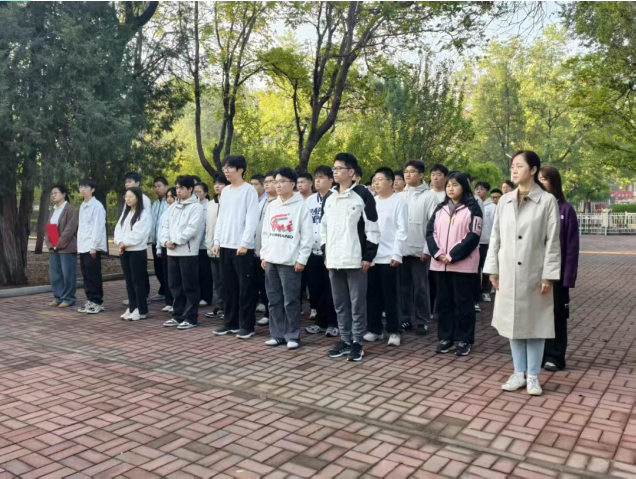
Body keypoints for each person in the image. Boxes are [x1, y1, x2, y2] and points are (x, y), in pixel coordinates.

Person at [485, 151, 561, 396]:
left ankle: (533, 376)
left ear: (533, 170)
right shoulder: (505, 201)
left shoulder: (547, 201)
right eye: (512, 167)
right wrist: (492, 269)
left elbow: (552, 242)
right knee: (513, 325)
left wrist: (548, 275)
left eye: (519, 166)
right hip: (508, 271)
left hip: (534, 273)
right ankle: (519, 373)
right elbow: (495, 237)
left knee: (535, 325)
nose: (514, 170)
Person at [322, 153, 380, 362]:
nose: (335, 172)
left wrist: (368, 256)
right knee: (340, 303)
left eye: (339, 168)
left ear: (351, 172)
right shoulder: (329, 197)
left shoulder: (362, 195)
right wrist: (326, 252)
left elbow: (372, 227)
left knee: (357, 304)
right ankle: (345, 340)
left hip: (355, 259)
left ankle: (357, 342)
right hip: (334, 259)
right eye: (334, 168)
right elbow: (324, 228)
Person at [427, 172, 482, 356]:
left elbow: (473, 235)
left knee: (463, 303)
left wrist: (452, 255)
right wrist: (438, 253)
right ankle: (446, 338)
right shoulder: (440, 208)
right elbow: (430, 232)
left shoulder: (473, 208)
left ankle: (464, 339)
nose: (451, 188)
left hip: (463, 265)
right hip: (440, 264)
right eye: (448, 185)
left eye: (455, 185)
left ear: (464, 187)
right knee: (444, 303)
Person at [260, 167, 313, 349]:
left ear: (292, 184)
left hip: (290, 262)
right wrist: (264, 255)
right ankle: (277, 334)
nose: (278, 185)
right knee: (273, 300)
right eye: (276, 181)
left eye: (282, 181)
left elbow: (307, 236)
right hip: (271, 260)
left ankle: (293, 336)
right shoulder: (272, 205)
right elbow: (265, 233)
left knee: (291, 301)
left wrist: (301, 259)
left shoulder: (301, 206)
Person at [212, 155, 260, 338]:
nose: (226, 171)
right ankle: (230, 323)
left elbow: (252, 218)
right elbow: (221, 217)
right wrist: (217, 241)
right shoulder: (225, 191)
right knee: (228, 287)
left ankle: (247, 325)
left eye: (229, 168)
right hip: (225, 245)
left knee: (245, 288)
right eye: (225, 168)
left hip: (241, 248)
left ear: (240, 170)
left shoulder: (249, 190)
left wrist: (245, 243)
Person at [539, 166, 579, 371]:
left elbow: (571, 247)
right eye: (538, 179)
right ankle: (537, 354)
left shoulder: (565, 210)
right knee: (537, 315)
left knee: (556, 314)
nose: (541, 183)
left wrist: (567, 277)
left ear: (554, 182)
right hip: (535, 272)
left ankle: (555, 356)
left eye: (544, 179)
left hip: (556, 274)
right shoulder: (534, 208)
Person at [363, 167, 408, 346]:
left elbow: (402, 230)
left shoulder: (399, 202)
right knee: (372, 295)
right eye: (374, 180)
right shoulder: (371, 202)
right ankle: (374, 329)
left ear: (390, 182)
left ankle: (394, 330)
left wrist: (397, 253)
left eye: (380, 179)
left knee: (391, 296)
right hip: (372, 257)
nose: (376, 183)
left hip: (389, 255)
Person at [397, 159, 438, 335]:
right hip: (401, 250)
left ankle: (422, 321)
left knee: (420, 287)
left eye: (412, 171)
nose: (408, 174)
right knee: (403, 287)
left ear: (421, 175)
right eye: (406, 171)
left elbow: (433, 225)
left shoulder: (429, 196)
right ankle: (405, 319)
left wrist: (428, 249)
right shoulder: (399, 196)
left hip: (420, 250)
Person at [161, 175, 204, 330]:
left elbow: (192, 229)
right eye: (177, 188)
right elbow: (165, 226)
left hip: (188, 253)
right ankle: (177, 315)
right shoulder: (172, 207)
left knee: (189, 287)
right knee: (175, 286)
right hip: (172, 252)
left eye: (181, 188)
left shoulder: (196, 207)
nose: (178, 191)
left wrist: (175, 241)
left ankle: (191, 318)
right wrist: (166, 241)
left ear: (190, 189)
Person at [304, 166, 339, 337]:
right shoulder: (310, 201)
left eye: (321, 177)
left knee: (330, 289)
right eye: (316, 177)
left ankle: (333, 323)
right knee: (315, 288)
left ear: (331, 180)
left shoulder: (336, 198)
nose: (317, 180)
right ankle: (320, 321)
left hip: (331, 251)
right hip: (313, 251)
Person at [115, 187, 152, 321]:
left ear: (138, 198)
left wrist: (124, 243)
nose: (128, 199)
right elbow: (118, 229)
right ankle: (132, 307)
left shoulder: (143, 213)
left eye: (131, 196)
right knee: (129, 281)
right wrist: (119, 242)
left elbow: (139, 233)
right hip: (125, 250)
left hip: (137, 251)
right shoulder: (126, 212)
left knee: (138, 281)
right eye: (126, 197)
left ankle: (141, 310)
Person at [77, 179, 107, 314]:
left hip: (92, 247)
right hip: (83, 246)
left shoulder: (97, 206)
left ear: (92, 189)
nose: (82, 189)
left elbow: (98, 227)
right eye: (81, 187)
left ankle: (97, 301)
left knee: (94, 274)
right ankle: (90, 299)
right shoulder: (83, 205)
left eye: (85, 187)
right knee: (86, 275)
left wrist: (94, 246)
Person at [46, 185, 78, 308]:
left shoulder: (70, 210)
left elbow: (70, 230)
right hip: (54, 247)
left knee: (68, 274)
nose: (53, 195)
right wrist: (49, 243)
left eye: (56, 193)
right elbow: (49, 228)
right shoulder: (53, 210)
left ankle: (68, 298)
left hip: (67, 247)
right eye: (52, 193)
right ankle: (58, 297)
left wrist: (59, 243)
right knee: (55, 274)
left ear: (64, 194)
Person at [254, 170, 278, 326]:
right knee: (263, 284)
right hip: (259, 250)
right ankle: (267, 313)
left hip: (275, 252)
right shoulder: (261, 203)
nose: (268, 184)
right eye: (266, 182)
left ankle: (274, 316)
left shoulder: (280, 203)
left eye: (272, 181)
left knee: (274, 287)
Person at [205, 175, 230, 319]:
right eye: (215, 183)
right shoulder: (210, 204)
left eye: (220, 183)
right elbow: (208, 226)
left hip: (226, 247)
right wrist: (209, 244)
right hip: (212, 247)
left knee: (226, 280)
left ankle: (228, 307)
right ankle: (220, 306)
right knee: (217, 281)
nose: (217, 186)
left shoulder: (231, 202)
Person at [474, 181, 495, 303]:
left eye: (481, 189)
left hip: (487, 241)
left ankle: (486, 290)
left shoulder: (492, 207)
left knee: (486, 267)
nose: (478, 191)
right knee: (476, 268)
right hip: (476, 241)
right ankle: (476, 291)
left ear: (487, 191)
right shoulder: (474, 203)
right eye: (477, 188)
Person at [150, 177, 170, 302]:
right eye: (155, 187)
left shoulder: (169, 202)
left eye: (159, 186)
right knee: (158, 269)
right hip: (155, 241)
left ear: (166, 186)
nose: (157, 189)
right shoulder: (155, 203)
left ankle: (168, 293)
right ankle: (163, 290)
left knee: (165, 269)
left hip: (165, 242)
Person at [157, 187, 176, 312]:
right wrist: (159, 247)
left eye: (171, 196)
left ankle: (176, 302)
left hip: (175, 246)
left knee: (175, 277)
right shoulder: (165, 213)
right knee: (167, 275)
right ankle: (169, 301)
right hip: (165, 246)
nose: (169, 199)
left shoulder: (179, 211)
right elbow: (160, 230)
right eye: (167, 197)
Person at [194, 182, 213, 307]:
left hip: (204, 244)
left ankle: (206, 297)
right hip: (194, 244)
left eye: (199, 192)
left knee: (205, 272)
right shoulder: (194, 205)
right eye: (195, 192)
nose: (196, 194)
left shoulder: (209, 205)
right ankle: (198, 295)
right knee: (196, 272)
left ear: (205, 193)